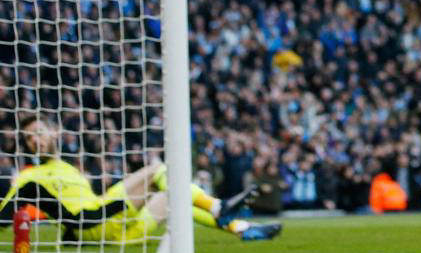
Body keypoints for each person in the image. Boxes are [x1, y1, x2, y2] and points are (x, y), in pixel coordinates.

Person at [0, 115, 282, 244]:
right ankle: (218, 207)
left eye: (39, 132)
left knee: (175, 199)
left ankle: (243, 228)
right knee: (158, 170)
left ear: (54, 132)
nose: (36, 140)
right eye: (29, 138)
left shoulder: (68, 167)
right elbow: (6, 213)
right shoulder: (29, 177)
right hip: (96, 222)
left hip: (119, 232)